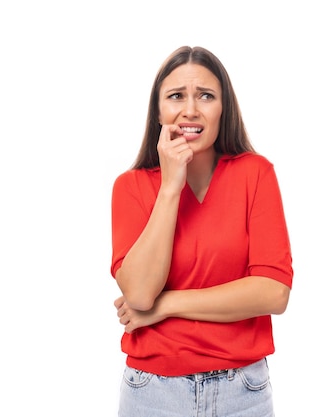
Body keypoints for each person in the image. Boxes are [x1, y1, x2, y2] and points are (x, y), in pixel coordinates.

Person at [110, 45, 293, 417]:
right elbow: (140, 293)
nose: (190, 109)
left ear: (223, 108)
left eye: (205, 96)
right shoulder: (130, 187)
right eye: (176, 96)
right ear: (158, 110)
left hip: (243, 392)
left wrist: (166, 306)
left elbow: (273, 292)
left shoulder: (255, 174)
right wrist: (170, 187)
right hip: (153, 393)